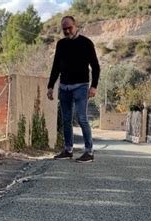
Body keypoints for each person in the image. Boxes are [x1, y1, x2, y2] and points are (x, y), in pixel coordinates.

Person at [47, 15, 100, 163]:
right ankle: (68, 150)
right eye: (64, 29)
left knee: (81, 118)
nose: (67, 31)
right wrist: (50, 86)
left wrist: (94, 86)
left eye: (69, 28)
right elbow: (56, 66)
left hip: (81, 86)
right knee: (66, 120)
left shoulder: (86, 43)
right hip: (64, 87)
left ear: (75, 25)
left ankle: (89, 152)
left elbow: (95, 67)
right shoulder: (61, 44)